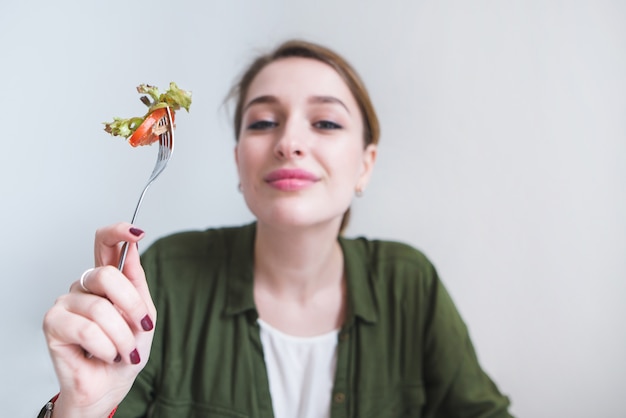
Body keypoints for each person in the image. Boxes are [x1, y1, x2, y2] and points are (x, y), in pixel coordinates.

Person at [40, 39, 513, 418]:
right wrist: (81, 407)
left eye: (326, 122)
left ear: (365, 165)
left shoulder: (409, 283)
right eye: (263, 122)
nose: (289, 143)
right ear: (238, 162)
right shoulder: (168, 274)